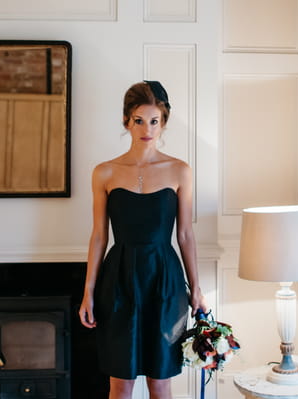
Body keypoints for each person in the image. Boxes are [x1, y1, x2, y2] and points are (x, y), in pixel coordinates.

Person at [79, 80, 207, 399]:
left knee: (160, 382)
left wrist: (197, 290)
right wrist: (88, 292)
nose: (147, 129)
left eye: (154, 121)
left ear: (163, 123)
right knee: (120, 384)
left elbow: (185, 234)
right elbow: (98, 236)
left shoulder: (180, 171)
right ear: (127, 121)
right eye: (139, 120)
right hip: (118, 279)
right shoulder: (104, 173)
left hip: (165, 280)